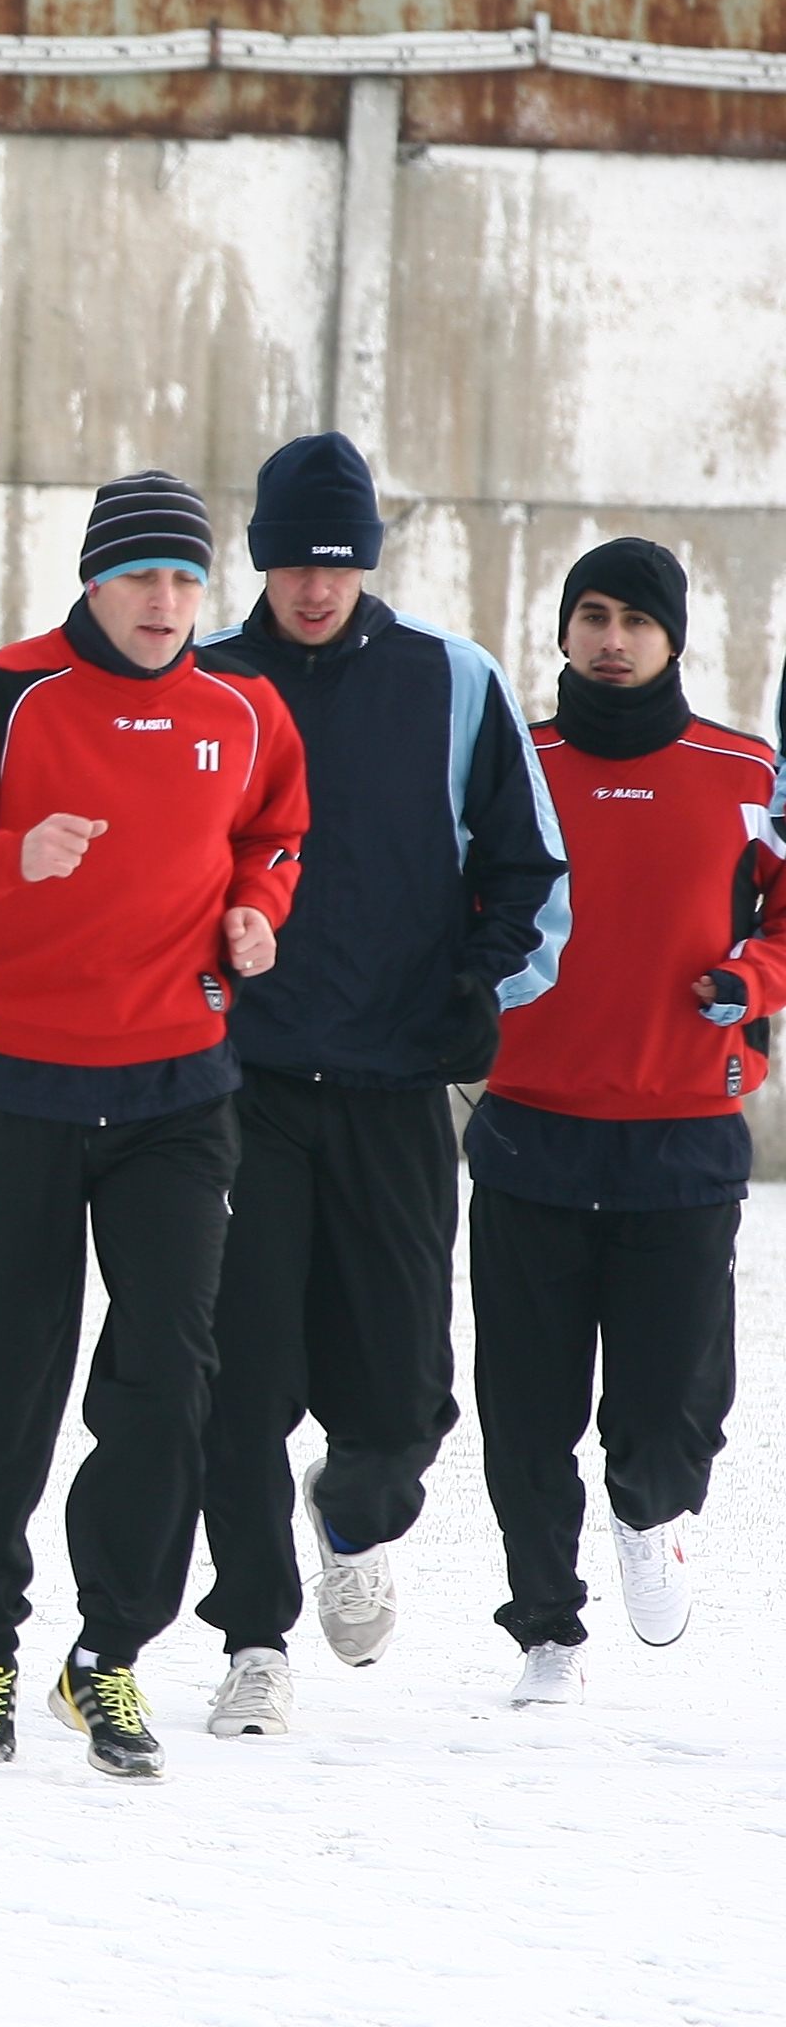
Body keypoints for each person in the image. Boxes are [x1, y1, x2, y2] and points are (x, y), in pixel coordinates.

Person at [0, 470, 308, 1780]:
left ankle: (108, 1651)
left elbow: (274, 836)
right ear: (93, 582)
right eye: (139, 576)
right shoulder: (1, 697)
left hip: (179, 1094)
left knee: (169, 1379)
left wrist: (257, 910)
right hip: (15, 1091)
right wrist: (11, 855)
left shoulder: (247, 707)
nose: (163, 601)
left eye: (184, 578)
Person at [187, 434, 569, 1740]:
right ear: (260, 558)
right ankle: (253, 1638)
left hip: (397, 1085)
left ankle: (353, 1518)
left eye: (339, 564)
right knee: (238, 1382)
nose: (315, 587)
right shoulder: (206, 680)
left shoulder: (452, 680)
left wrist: (481, 985)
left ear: (370, 560)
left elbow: (530, 870)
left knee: (404, 1398)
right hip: (236, 1087)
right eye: (295, 562)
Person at [465, 539, 782, 1707]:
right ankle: (547, 1628)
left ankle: (652, 1513)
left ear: (673, 639)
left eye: (636, 620)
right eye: (592, 615)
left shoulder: (745, 770)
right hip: (530, 1129)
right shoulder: (511, 763)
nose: (612, 638)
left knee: (673, 1409)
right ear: (562, 630)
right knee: (526, 1414)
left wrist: (753, 976)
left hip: (684, 1131)